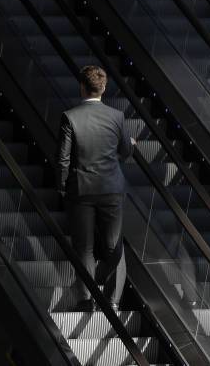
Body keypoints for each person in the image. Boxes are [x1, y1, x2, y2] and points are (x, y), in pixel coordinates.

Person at [56, 65, 135, 311]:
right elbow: (124, 151)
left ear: (82, 86)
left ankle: (86, 300)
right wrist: (130, 144)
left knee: (85, 247)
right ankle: (111, 300)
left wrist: (61, 187)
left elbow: (63, 159)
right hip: (111, 188)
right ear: (103, 88)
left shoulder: (70, 116)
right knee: (114, 245)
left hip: (81, 190)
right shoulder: (116, 116)